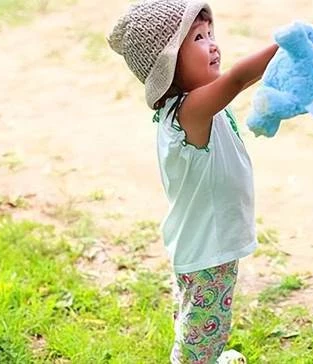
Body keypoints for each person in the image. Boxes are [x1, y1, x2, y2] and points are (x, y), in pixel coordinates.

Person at [107, 1, 281, 362]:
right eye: (199, 38)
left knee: (197, 320)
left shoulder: (196, 105)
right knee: (204, 333)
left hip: (201, 243)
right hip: (206, 250)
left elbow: (243, 80)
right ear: (168, 65)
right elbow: (237, 78)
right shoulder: (190, 112)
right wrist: (288, 43)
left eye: (210, 33)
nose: (213, 44)